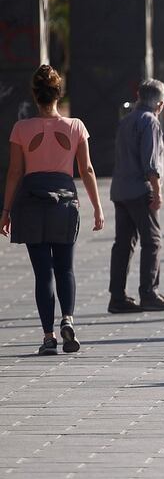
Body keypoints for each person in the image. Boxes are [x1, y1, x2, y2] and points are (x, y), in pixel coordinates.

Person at [1, 65, 104, 355]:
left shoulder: (21, 129)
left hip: (31, 203)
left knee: (42, 273)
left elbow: (14, 173)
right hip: (64, 203)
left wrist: (6, 210)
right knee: (65, 267)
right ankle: (68, 319)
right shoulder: (75, 127)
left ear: (35, 94)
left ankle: (48, 337)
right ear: (59, 93)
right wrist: (97, 208)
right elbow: (86, 169)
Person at [107, 79, 164, 314]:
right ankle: (149, 292)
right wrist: (157, 192)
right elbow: (150, 164)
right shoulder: (150, 122)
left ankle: (117, 297)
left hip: (120, 189)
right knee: (152, 241)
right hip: (139, 190)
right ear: (159, 103)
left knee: (123, 244)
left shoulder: (126, 120)